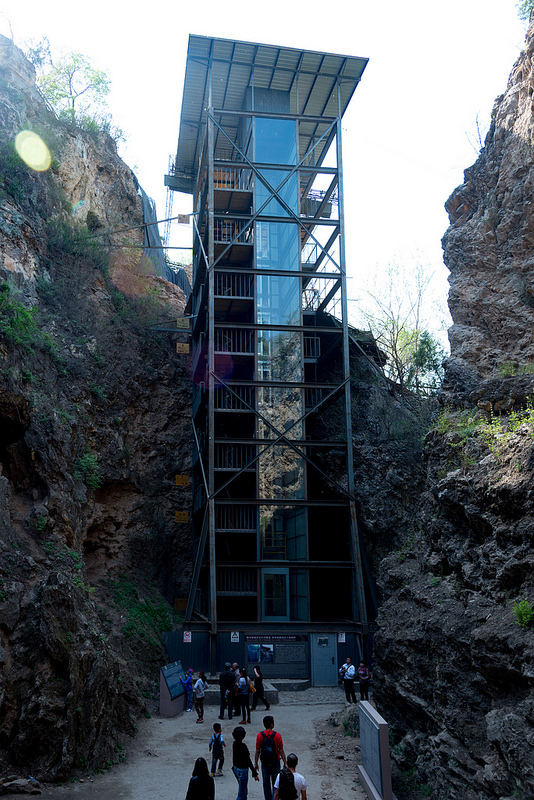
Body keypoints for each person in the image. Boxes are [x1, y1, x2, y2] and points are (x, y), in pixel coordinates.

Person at [254, 714, 286, 800]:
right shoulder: (277, 735)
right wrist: (285, 762)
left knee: (266, 782)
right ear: (272, 724)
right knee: (276, 782)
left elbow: (257, 750)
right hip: (275, 761)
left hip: (265, 762)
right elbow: (281, 750)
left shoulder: (260, 735)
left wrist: (256, 763)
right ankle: (274, 798)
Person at [232, 725, 259, 800]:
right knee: (241, 793)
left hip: (236, 768)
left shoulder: (234, 744)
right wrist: (254, 773)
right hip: (243, 770)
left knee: (243, 791)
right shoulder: (243, 746)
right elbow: (248, 760)